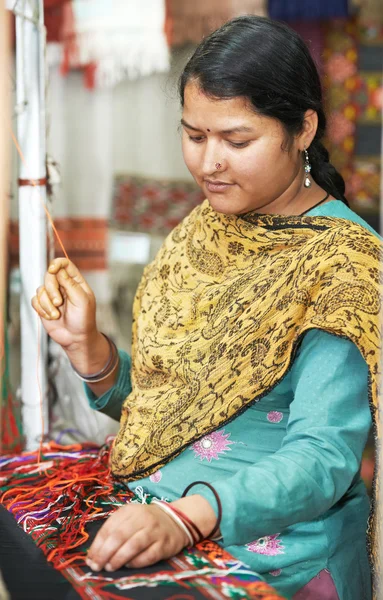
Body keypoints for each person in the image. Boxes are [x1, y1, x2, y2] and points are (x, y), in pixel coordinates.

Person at [32, 16, 381, 600]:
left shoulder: (340, 265)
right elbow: (172, 414)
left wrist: (185, 518)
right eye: (194, 136)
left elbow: (324, 459)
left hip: (269, 547)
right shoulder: (209, 228)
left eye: (236, 141)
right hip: (159, 505)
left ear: (302, 130)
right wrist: (89, 350)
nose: (208, 164)